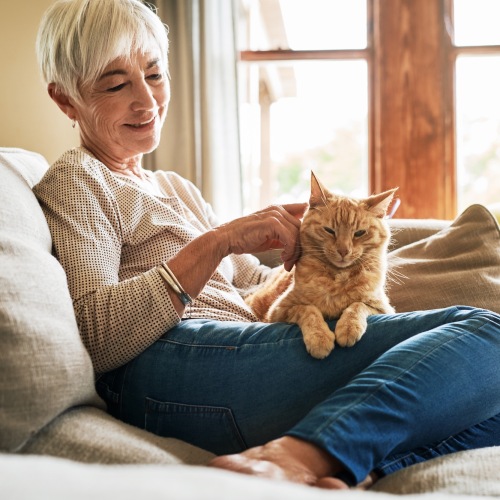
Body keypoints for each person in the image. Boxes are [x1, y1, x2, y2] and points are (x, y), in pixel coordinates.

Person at [33, 0, 500, 489]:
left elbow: (252, 284)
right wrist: (220, 240)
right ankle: (293, 457)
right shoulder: (77, 180)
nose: (147, 101)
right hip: (172, 366)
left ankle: (350, 462)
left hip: (248, 348)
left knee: (487, 391)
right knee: (486, 333)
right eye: (115, 84)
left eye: (153, 75)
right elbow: (94, 333)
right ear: (66, 100)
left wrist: (317, 251)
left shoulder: (173, 187)